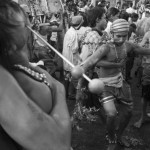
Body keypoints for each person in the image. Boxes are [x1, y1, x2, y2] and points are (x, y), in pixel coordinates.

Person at [0, 1, 71, 150]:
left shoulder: (10, 66)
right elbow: (57, 143)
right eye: (24, 23)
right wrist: (59, 89)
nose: (29, 26)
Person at [77, 19, 150, 150]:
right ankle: (111, 137)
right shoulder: (105, 47)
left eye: (124, 35)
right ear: (112, 34)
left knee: (128, 113)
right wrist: (80, 69)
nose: (121, 39)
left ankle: (119, 135)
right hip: (104, 85)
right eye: (118, 36)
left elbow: (142, 50)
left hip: (120, 82)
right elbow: (91, 61)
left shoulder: (128, 46)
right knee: (111, 113)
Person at [134, 30, 150, 128]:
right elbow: (140, 47)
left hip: (148, 66)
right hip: (148, 66)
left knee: (145, 93)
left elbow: (139, 47)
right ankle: (143, 117)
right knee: (145, 92)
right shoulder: (148, 34)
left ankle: (143, 117)